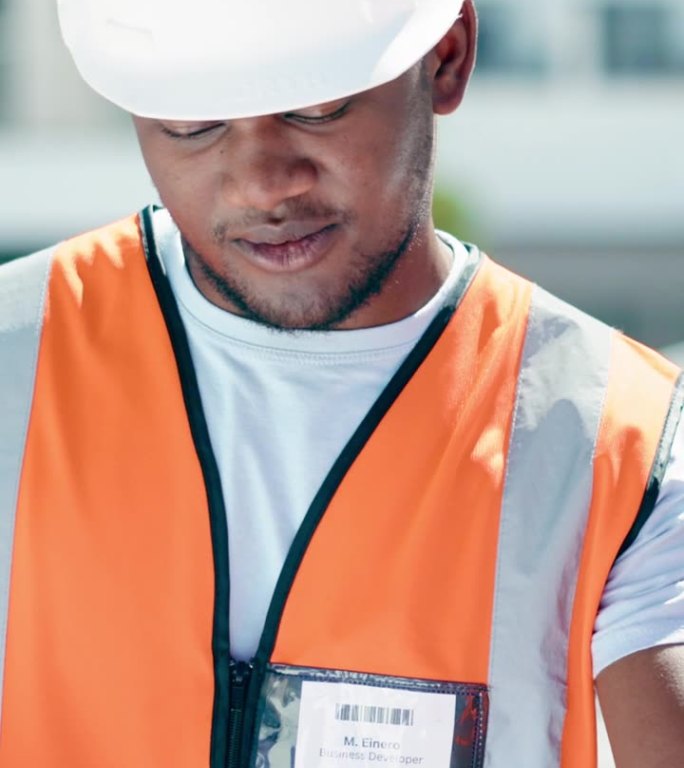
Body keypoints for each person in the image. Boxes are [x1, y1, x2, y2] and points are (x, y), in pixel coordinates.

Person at [0, 0, 682, 765]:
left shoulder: (623, 440)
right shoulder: (13, 359)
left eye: (317, 108)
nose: (262, 184)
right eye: (192, 126)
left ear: (447, 56)